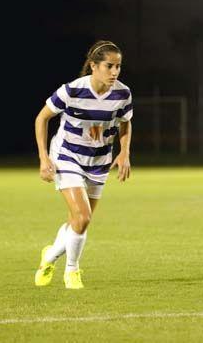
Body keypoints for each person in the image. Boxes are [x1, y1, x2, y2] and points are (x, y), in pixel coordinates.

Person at [34, 40, 133, 289]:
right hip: (67, 156)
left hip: (99, 162)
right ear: (93, 66)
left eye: (118, 66)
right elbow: (42, 118)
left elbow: (125, 122)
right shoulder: (72, 90)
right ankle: (72, 271)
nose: (114, 72)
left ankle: (49, 256)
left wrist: (124, 153)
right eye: (109, 66)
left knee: (77, 222)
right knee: (83, 216)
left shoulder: (123, 93)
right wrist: (44, 158)